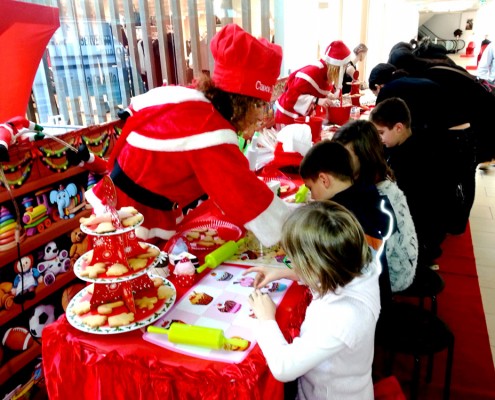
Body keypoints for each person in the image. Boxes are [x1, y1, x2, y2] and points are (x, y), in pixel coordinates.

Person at [70, 24, 290, 247]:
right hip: (128, 219)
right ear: (245, 103)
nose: (262, 114)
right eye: (261, 105)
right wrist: (292, 229)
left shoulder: (197, 107)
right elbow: (243, 194)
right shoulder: (208, 128)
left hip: (131, 205)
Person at [246, 201, 380, 400]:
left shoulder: (344, 316)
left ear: (316, 265)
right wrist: (286, 272)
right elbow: (329, 272)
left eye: (294, 261)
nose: (292, 263)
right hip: (324, 386)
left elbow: (284, 367)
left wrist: (267, 320)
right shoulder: (358, 267)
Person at [332, 120, 418, 292]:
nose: (338, 162)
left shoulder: (379, 195)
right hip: (390, 260)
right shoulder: (370, 179)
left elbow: (376, 255)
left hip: (395, 274)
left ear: (364, 156)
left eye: (346, 156)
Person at [369, 97, 447, 268]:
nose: (379, 139)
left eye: (381, 133)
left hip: (419, 235)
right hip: (419, 223)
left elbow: (400, 206)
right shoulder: (407, 141)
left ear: (398, 127)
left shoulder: (413, 160)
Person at [275, 40, 352, 126]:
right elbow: (291, 97)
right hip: (287, 116)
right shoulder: (312, 73)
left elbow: (312, 90)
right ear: (336, 67)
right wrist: (317, 100)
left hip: (300, 116)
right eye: (344, 66)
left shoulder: (326, 72)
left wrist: (328, 95)